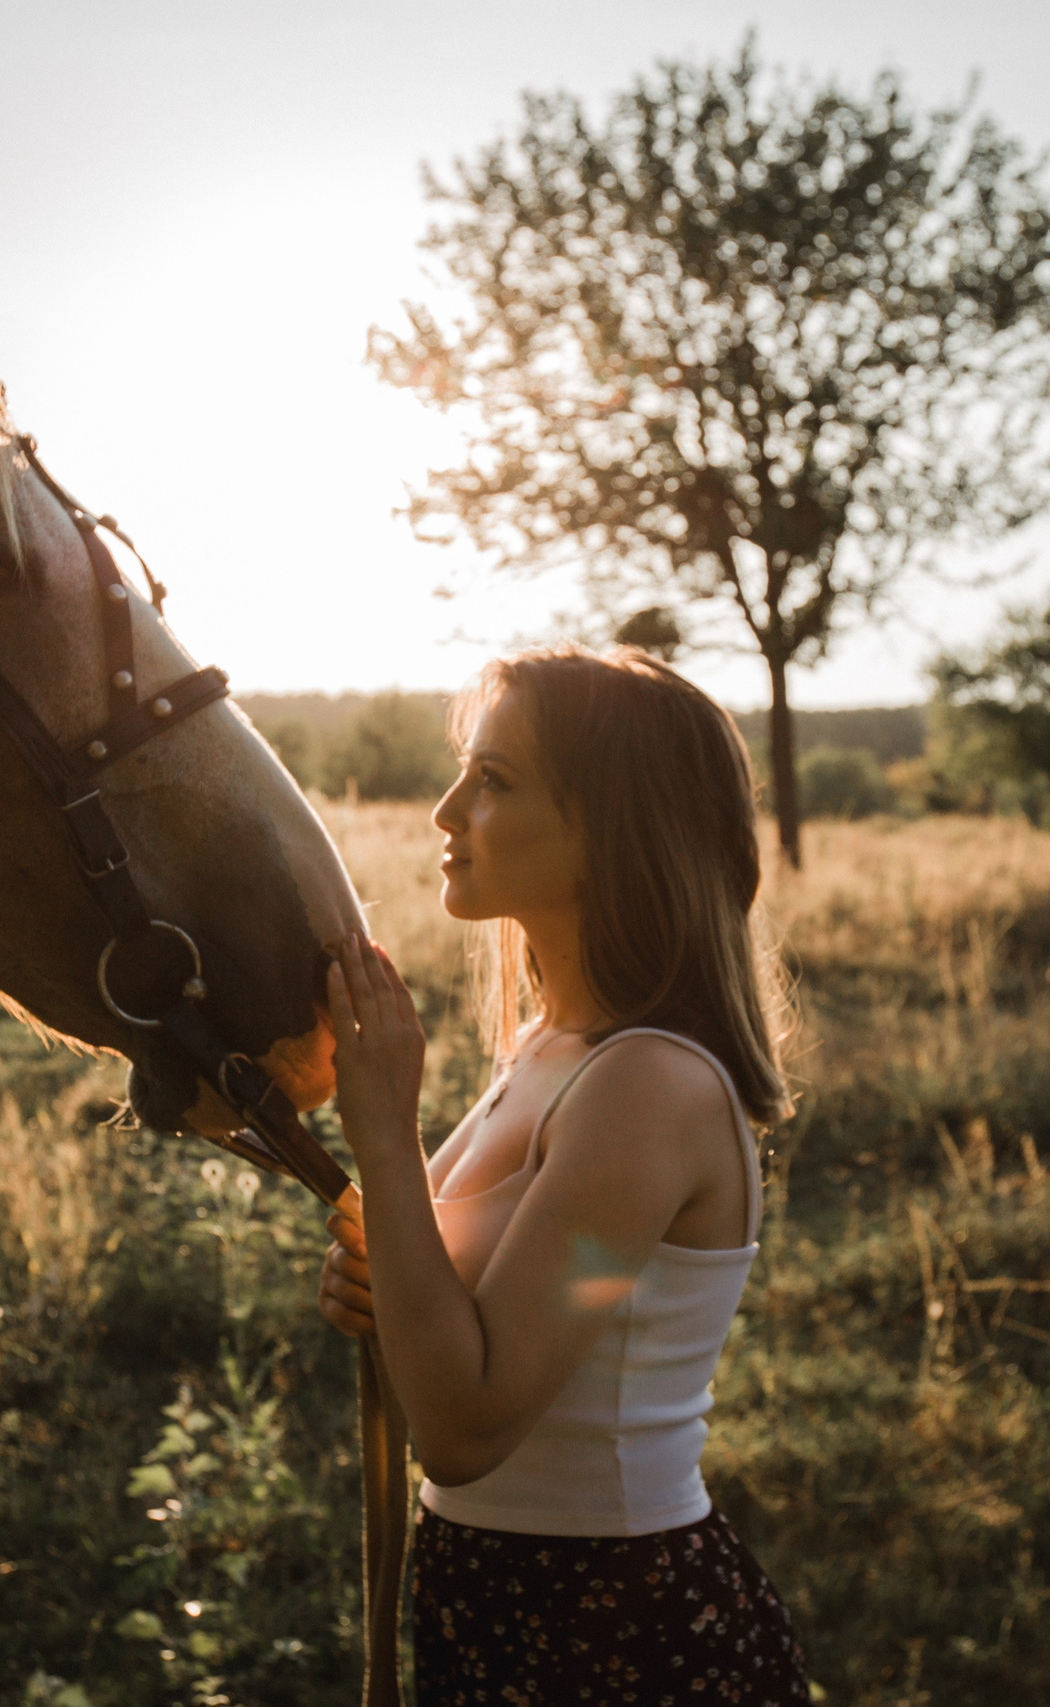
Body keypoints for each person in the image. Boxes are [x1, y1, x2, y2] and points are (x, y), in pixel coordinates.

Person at [317, 645, 810, 1704]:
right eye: (462, 769)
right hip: (494, 1600)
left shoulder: (650, 1089)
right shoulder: (547, 1050)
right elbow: (448, 1314)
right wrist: (387, 1281)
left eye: (492, 780)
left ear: (608, 834)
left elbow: (465, 1428)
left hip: (617, 1625)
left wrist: (386, 1137)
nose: (446, 810)